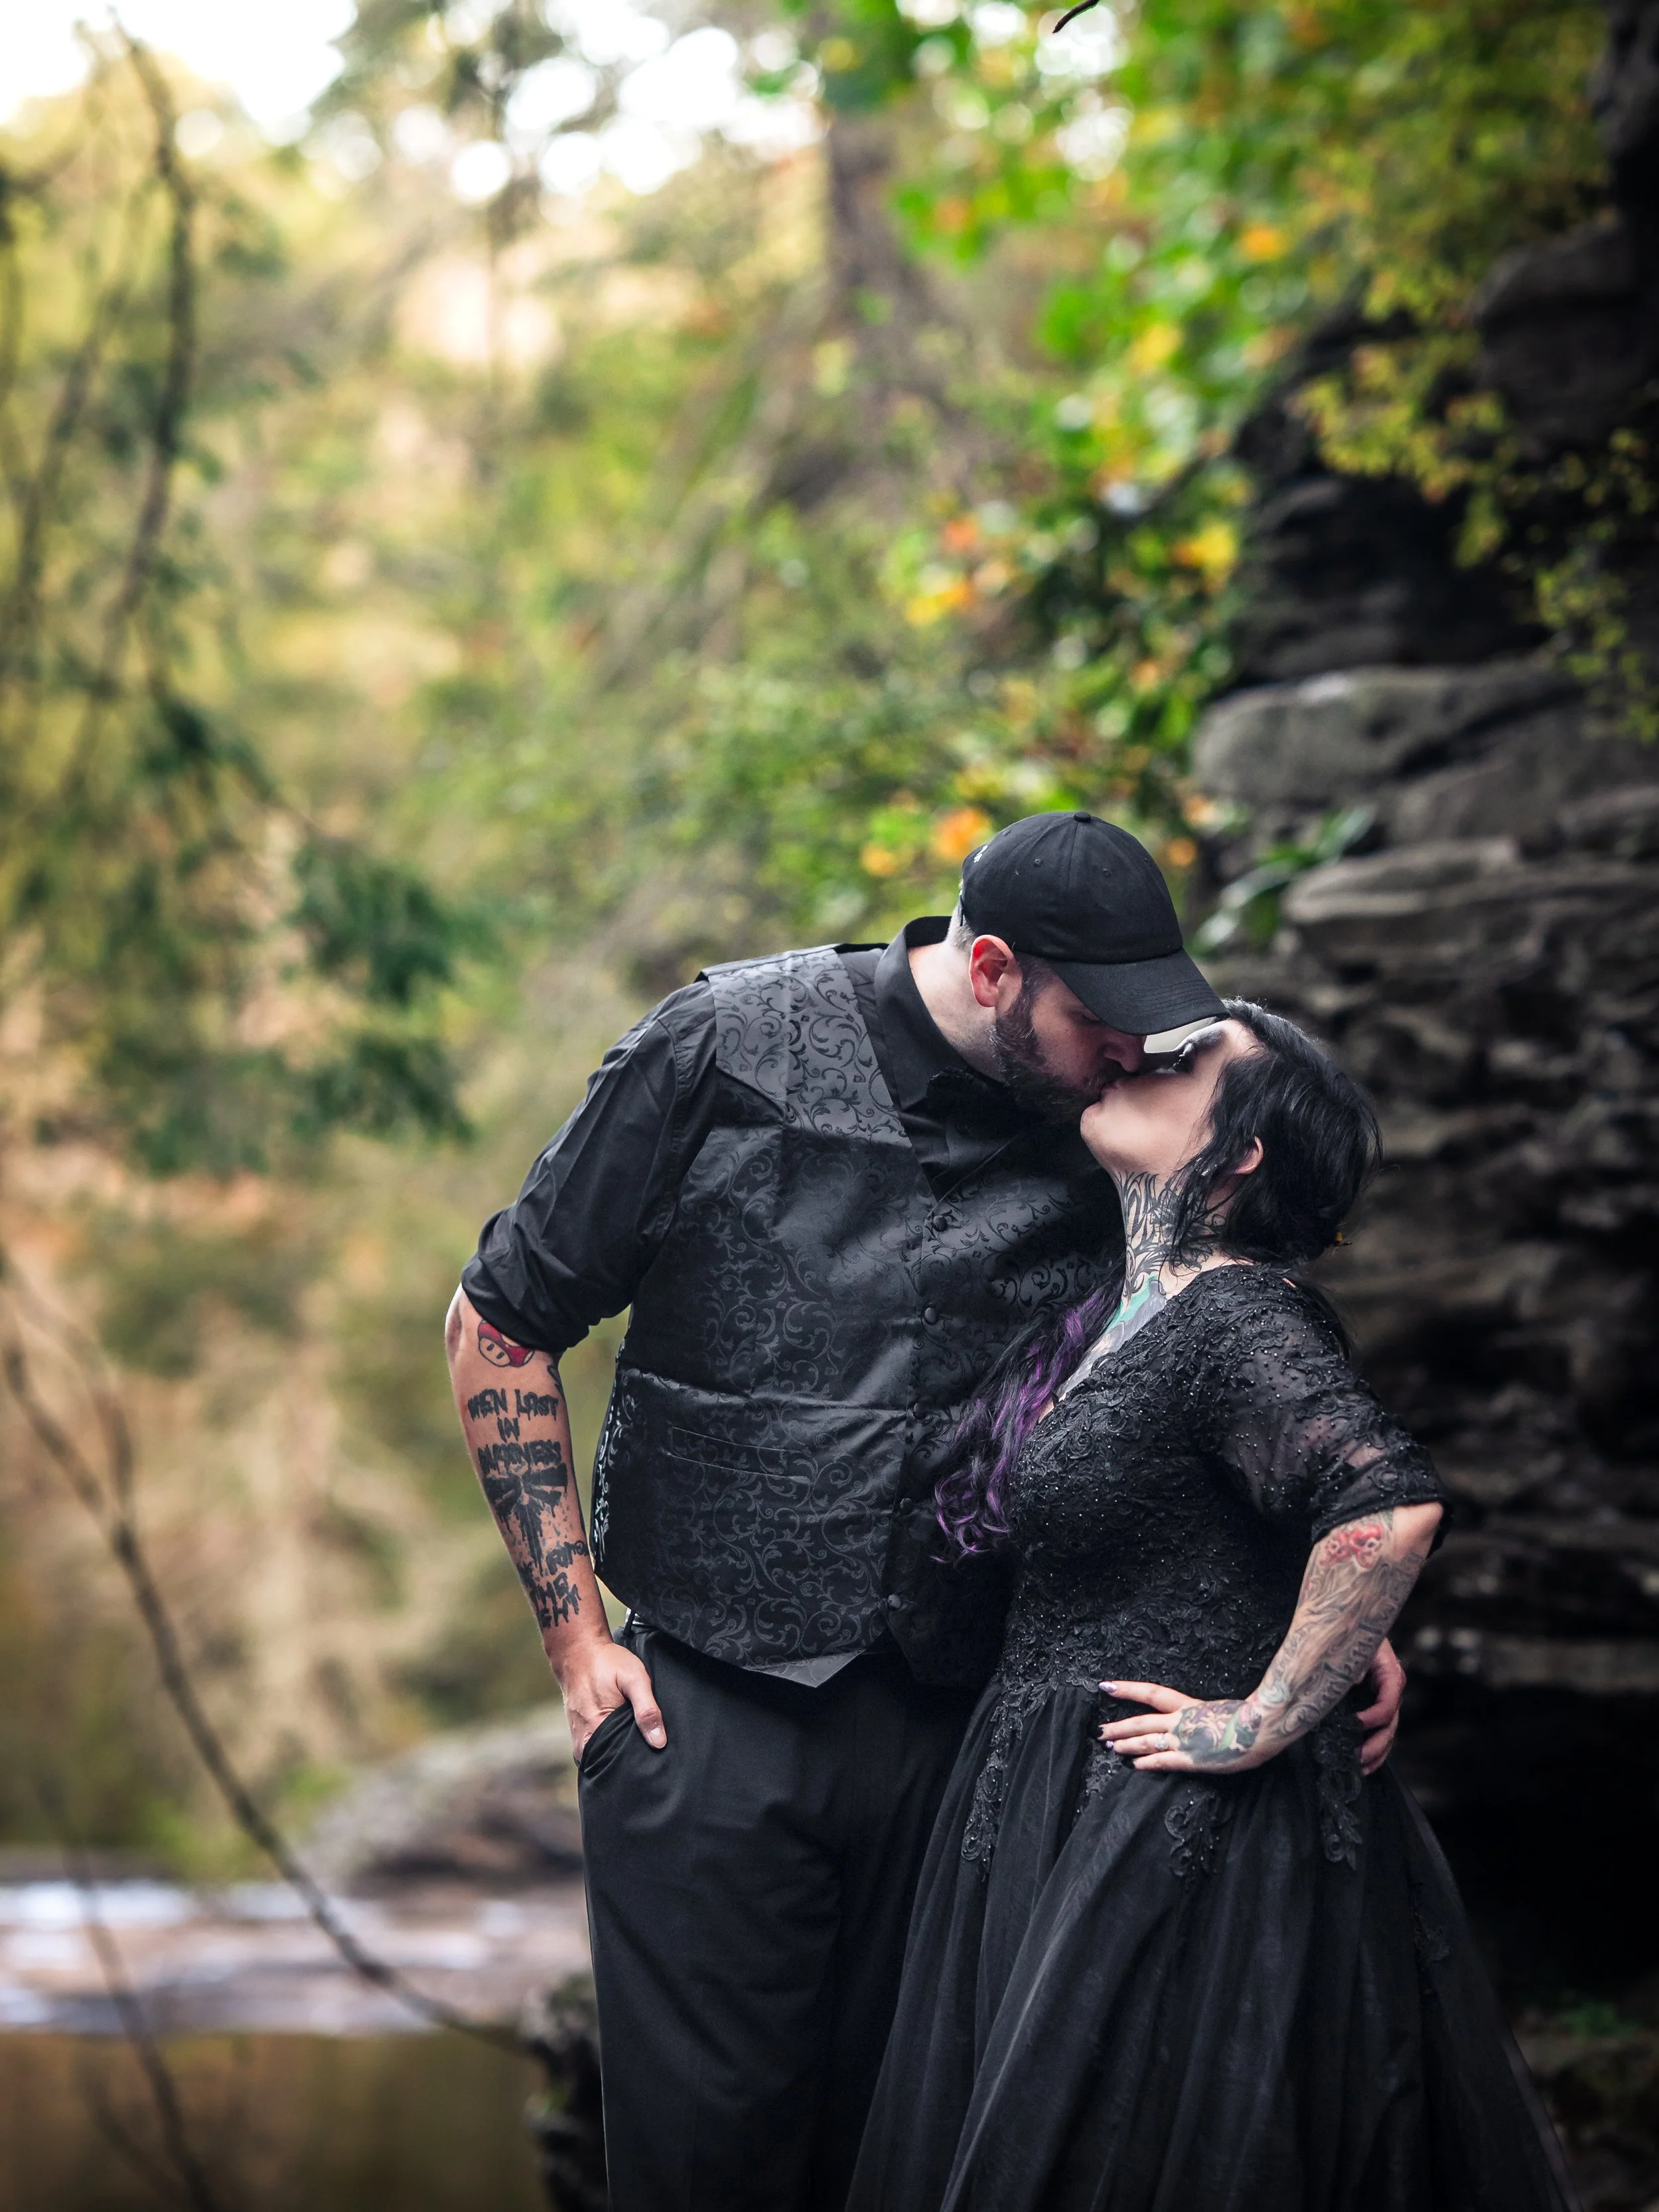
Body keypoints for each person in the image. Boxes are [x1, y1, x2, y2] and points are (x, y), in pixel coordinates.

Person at [444, 814, 1408, 2212]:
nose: (1130, 1049)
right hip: (706, 1718)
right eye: (1099, 1018)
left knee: (925, 2169)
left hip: (979, 1745)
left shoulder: (1116, 1130)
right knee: (702, 2176)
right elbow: (497, 1326)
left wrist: (1319, 1611)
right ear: (995, 969)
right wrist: (574, 1640)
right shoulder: (717, 1045)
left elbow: (1206, 1362)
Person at [847, 1003, 1577, 2212]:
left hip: (1179, 1837)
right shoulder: (1125, 1309)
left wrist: (1262, 1715)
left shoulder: (1237, 1311)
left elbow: (1387, 1506)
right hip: (1059, 1807)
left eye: (1186, 1062)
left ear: (1239, 1152)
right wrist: (1333, 1628)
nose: (1140, 1055)